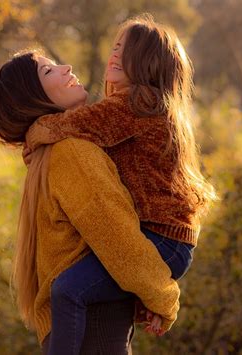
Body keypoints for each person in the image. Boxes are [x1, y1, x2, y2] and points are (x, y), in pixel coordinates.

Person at [22, 14, 216, 354]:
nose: (113, 54)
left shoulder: (137, 104)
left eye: (124, 50)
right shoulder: (147, 106)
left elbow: (71, 124)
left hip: (161, 240)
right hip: (169, 241)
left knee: (67, 290)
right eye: (114, 46)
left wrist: (31, 134)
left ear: (147, 62)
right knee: (86, 286)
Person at [0, 50, 180, 353]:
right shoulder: (71, 152)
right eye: (49, 72)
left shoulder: (48, 154)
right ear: (31, 96)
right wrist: (164, 296)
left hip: (77, 328)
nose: (67, 68)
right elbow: (117, 235)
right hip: (95, 330)